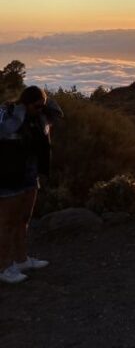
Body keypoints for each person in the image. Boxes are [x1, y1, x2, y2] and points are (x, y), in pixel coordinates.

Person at [0, 86, 63, 284]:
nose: (41, 109)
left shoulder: (39, 118)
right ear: (25, 103)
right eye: (37, 105)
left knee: (23, 219)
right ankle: (3, 267)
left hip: (29, 174)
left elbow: (57, 113)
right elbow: (7, 129)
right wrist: (19, 109)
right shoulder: (8, 116)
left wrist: (44, 102)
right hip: (8, 176)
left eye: (42, 106)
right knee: (6, 223)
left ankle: (21, 260)